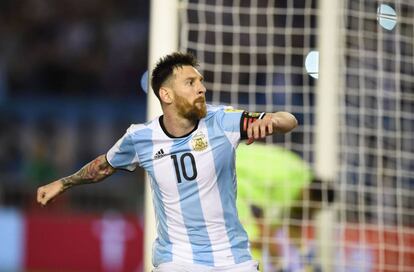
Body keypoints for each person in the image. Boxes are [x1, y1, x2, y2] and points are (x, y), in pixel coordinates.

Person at [37, 52, 298, 272]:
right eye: (190, 82)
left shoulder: (223, 121)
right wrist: (63, 183)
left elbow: (289, 121)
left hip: (232, 259)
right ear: (167, 95)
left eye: (201, 81)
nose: (201, 88)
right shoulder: (141, 138)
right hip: (177, 260)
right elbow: (104, 165)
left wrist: (272, 120)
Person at [236, 143, 335, 271]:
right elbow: (268, 233)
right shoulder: (287, 184)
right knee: (249, 243)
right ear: (309, 193)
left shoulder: (301, 174)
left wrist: (303, 255)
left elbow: (291, 222)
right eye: (312, 210)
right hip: (231, 174)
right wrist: (279, 263)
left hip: (234, 161)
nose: (309, 215)